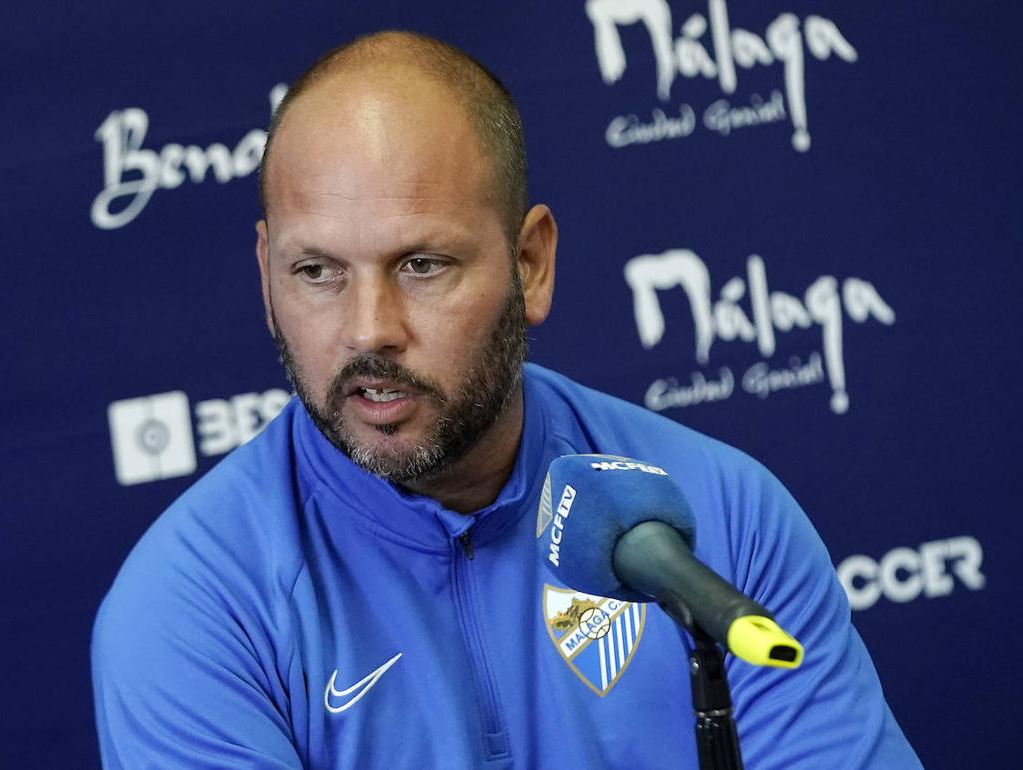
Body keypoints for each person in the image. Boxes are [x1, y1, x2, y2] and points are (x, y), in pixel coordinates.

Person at [91, 30, 921, 769]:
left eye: (422, 265)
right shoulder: (189, 611)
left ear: (530, 264)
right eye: (317, 272)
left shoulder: (722, 516)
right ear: (267, 275)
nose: (367, 330)